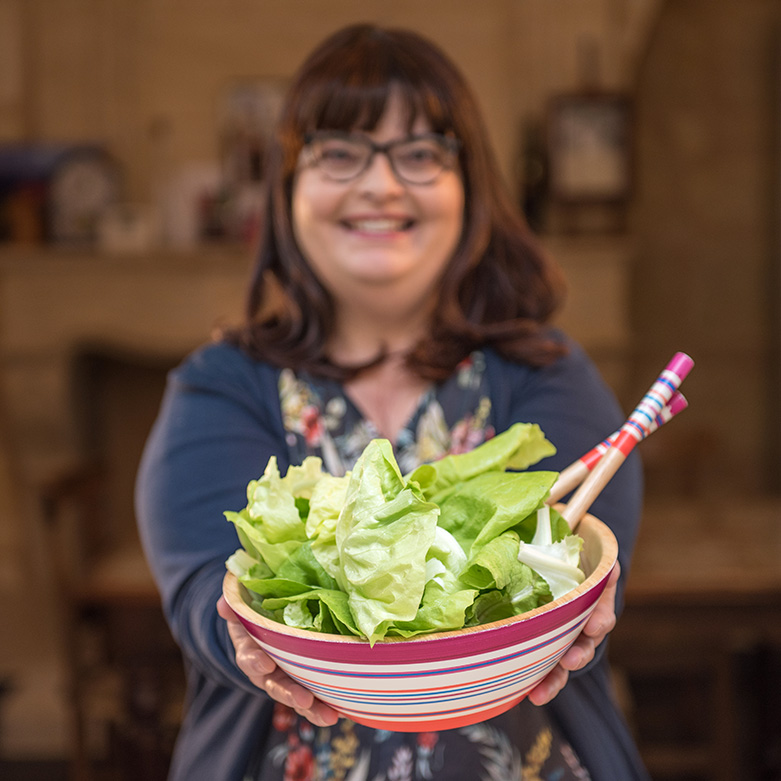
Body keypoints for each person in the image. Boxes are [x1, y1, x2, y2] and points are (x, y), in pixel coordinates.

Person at [136, 23, 649, 781]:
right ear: (287, 191)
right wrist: (242, 630)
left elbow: (581, 563)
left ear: (468, 188)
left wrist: (584, 612)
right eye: (339, 152)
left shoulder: (543, 372)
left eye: (419, 154)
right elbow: (207, 595)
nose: (379, 184)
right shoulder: (221, 387)